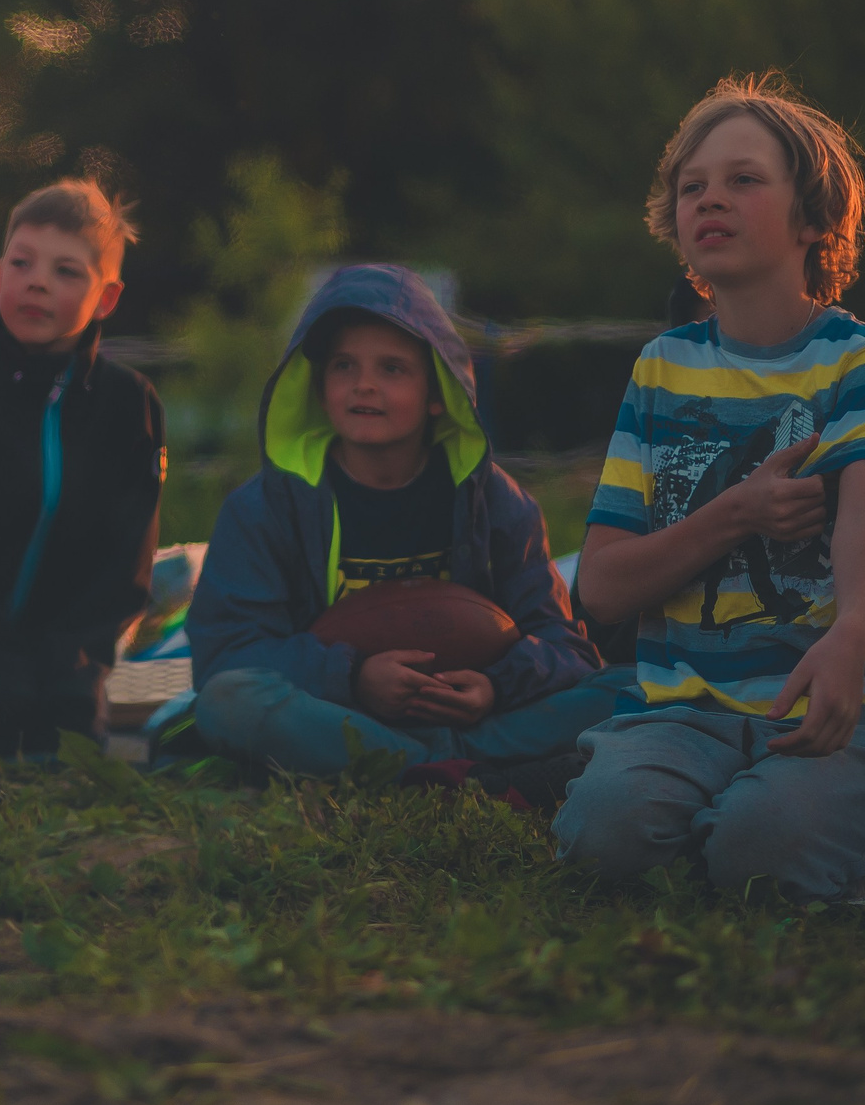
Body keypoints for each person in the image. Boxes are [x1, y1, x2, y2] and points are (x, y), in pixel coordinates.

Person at [553, 78, 865, 901]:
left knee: (758, 852)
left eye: (743, 179)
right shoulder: (661, 369)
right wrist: (739, 511)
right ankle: (728, 809)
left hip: (851, 700)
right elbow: (600, 583)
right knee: (603, 834)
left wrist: (848, 634)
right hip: (683, 710)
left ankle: (851, 799)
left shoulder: (861, 361)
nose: (710, 199)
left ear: (812, 217)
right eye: (691, 185)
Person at [184, 264, 606, 778]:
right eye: (343, 366)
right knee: (228, 701)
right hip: (339, 714)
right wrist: (355, 678)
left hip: (477, 715)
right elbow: (227, 653)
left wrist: (495, 685)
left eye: (392, 369)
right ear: (317, 387)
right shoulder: (265, 506)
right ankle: (456, 769)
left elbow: (565, 647)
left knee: (623, 690)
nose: (364, 386)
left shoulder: (496, 501)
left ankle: (414, 766)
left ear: (438, 394)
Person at [0, 181, 166, 754]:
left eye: (67, 271)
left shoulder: (128, 404)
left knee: (60, 760)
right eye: (22, 263)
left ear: (106, 299)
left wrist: (72, 667)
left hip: (65, 669)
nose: (38, 281)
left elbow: (124, 565)